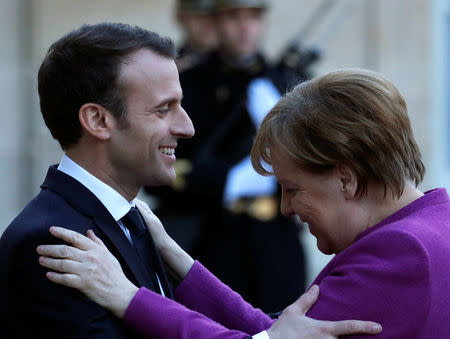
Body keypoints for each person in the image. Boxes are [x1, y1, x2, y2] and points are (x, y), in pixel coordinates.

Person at [40, 68, 450, 338]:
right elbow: (278, 335)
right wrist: (179, 263)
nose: (287, 208)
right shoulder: (434, 223)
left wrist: (126, 297)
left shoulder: (401, 253)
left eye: (293, 189)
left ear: (345, 177)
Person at [0, 22, 194, 337]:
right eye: (164, 109)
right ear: (98, 120)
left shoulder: (134, 221)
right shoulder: (54, 241)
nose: (187, 127)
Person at [146, 0, 307, 313]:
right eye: (234, 17)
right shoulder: (187, 85)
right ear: (216, 22)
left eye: (254, 17)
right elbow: (156, 171)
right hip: (213, 240)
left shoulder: (289, 84)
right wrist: (231, 181)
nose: (245, 28)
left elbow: (320, 161)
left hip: (276, 242)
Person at [174, 0, 218, 72]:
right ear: (181, 17)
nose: (208, 23)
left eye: (214, 16)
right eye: (199, 16)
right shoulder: (171, 65)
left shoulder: (235, 63)